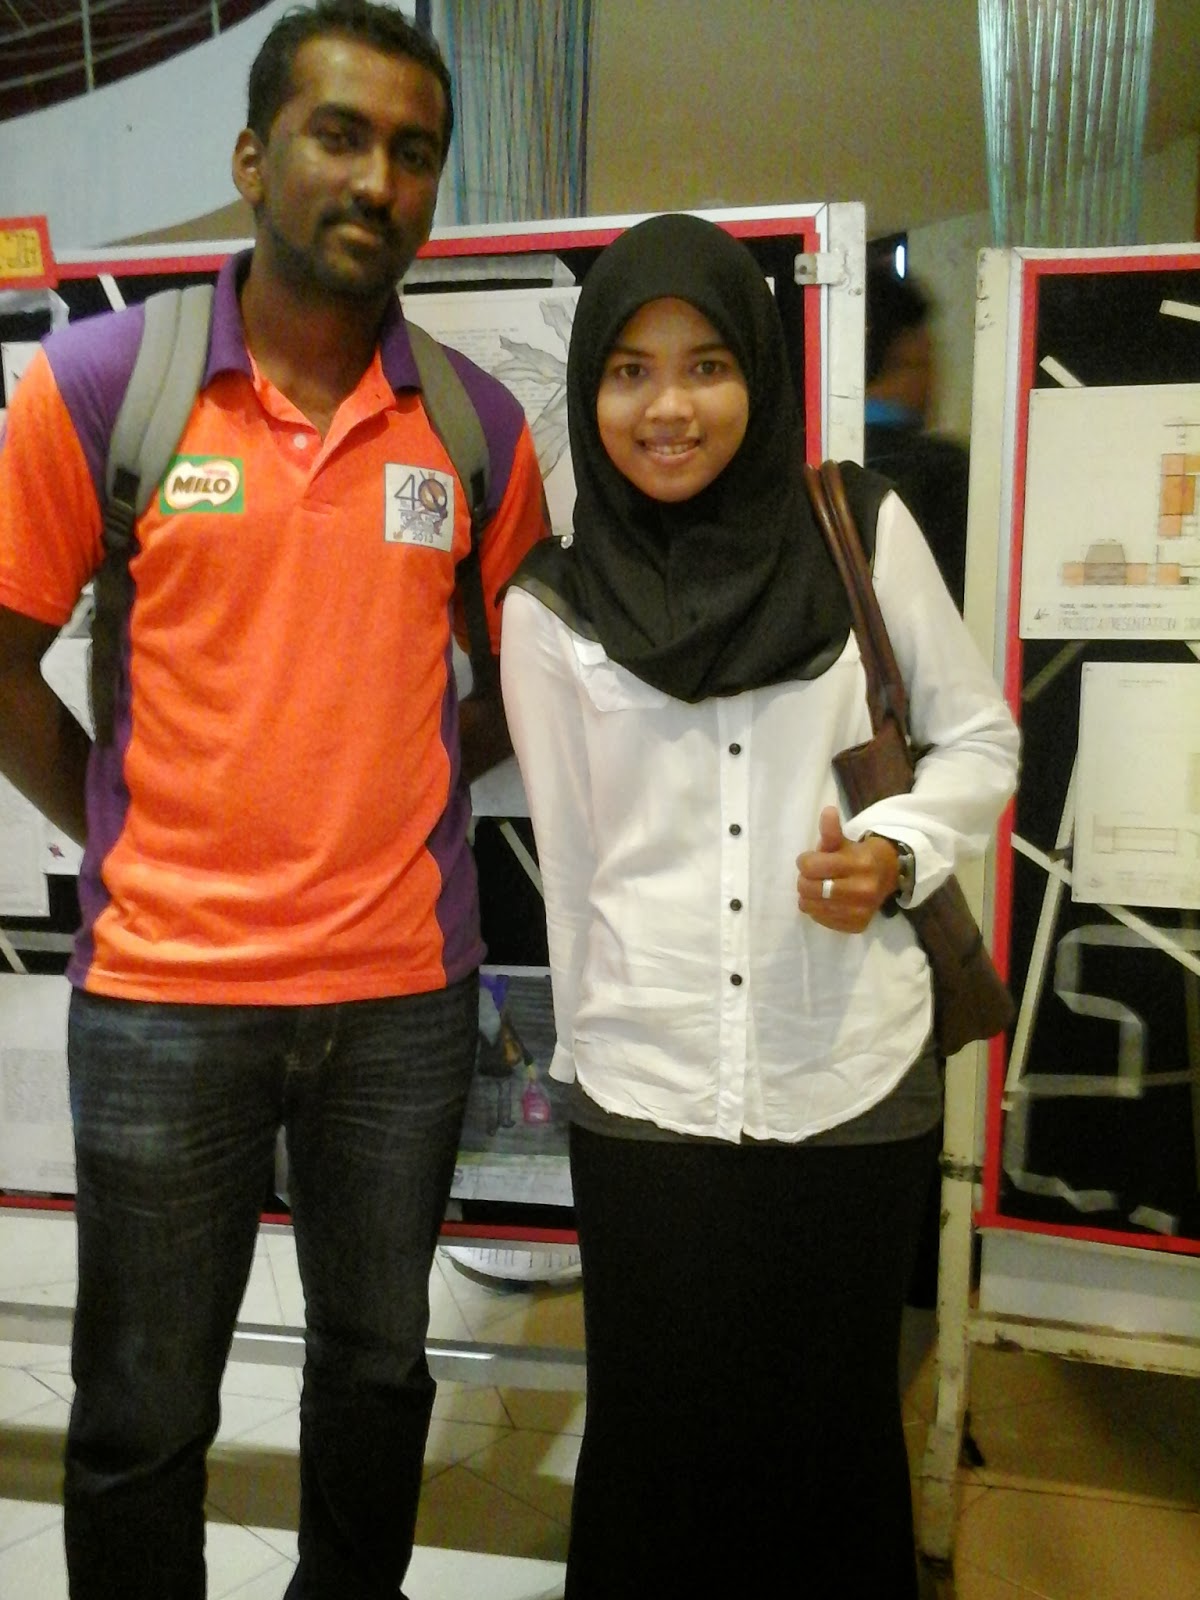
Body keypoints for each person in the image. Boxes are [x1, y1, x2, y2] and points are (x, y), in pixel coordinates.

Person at [0, 3, 546, 1595]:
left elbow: (531, 680)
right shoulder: (108, 382)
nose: (377, 179)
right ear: (253, 158)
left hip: (402, 1003)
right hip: (164, 1000)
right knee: (142, 1408)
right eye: (339, 135)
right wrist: (124, 821)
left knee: (376, 1375)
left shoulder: (476, 424)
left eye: (414, 153)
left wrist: (413, 781)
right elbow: (3, 658)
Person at [500, 213, 1018, 1598]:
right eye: (631, 371)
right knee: (656, 1451)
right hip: (646, 1094)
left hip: (846, 1071)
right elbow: (575, 866)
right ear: (590, 390)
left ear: (760, 375)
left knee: (832, 1443)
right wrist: (587, 1060)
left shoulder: (860, 529)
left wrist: (897, 848)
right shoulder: (552, 605)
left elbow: (979, 739)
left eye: (708, 365)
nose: (668, 407)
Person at [865, 261, 971, 609]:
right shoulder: (945, 471)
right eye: (924, 362)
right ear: (903, 357)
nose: (936, 381)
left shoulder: (799, 458)